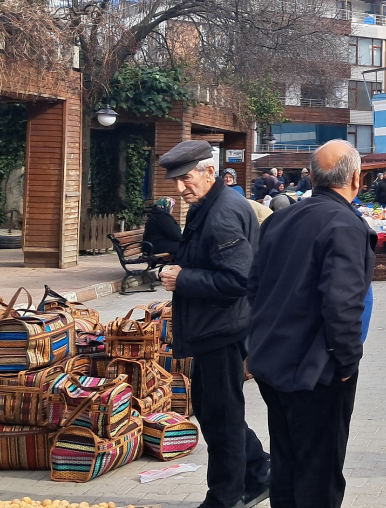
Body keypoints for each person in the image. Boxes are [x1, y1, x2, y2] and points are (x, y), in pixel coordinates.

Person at [247, 140, 371, 508]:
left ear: (313, 178)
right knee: (318, 474)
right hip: (317, 371)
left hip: (274, 361)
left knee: (286, 465)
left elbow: (254, 288)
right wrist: (346, 362)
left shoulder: (280, 219)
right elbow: (342, 304)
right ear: (356, 178)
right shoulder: (345, 223)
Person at [156, 140, 270, 508]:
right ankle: (259, 471)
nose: (180, 188)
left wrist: (182, 278)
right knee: (210, 409)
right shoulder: (209, 205)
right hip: (214, 326)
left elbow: (239, 279)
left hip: (223, 329)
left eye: (186, 178)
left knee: (222, 417)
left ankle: (225, 497)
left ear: (209, 172)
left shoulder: (222, 213)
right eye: (175, 181)